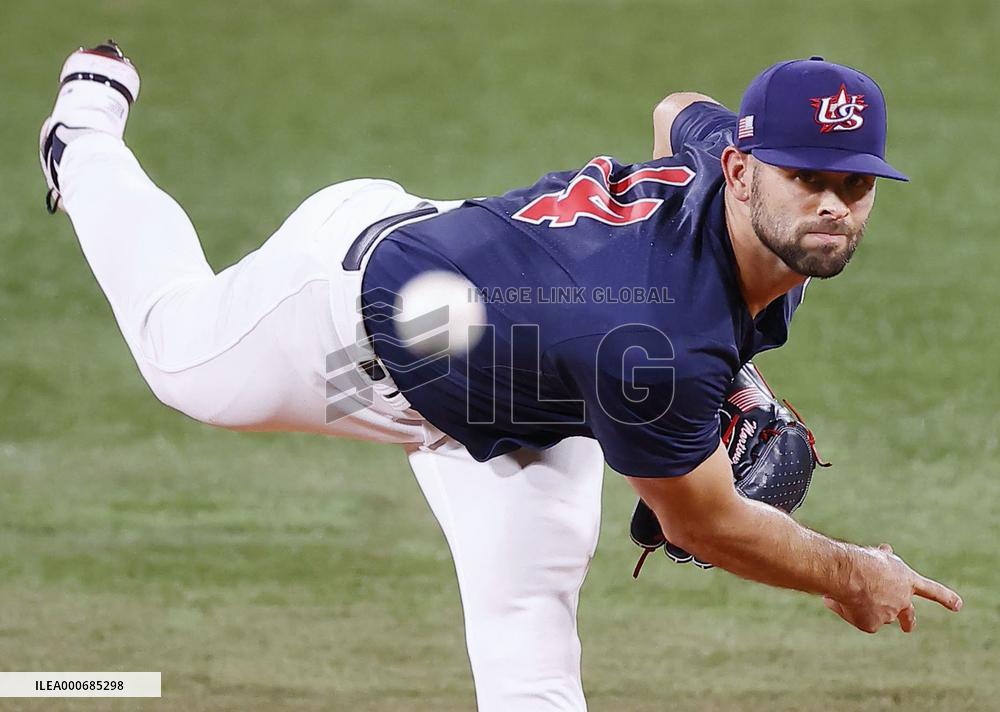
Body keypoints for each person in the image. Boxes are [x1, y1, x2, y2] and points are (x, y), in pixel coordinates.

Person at [39, 42, 962, 712]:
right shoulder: (654, 344)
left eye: (856, 185)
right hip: (351, 320)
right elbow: (706, 523)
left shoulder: (732, 195)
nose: (834, 206)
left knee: (532, 651)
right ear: (740, 172)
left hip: (522, 379)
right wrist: (849, 572)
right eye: (807, 177)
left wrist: (732, 385)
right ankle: (82, 136)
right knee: (177, 354)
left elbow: (677, 105)